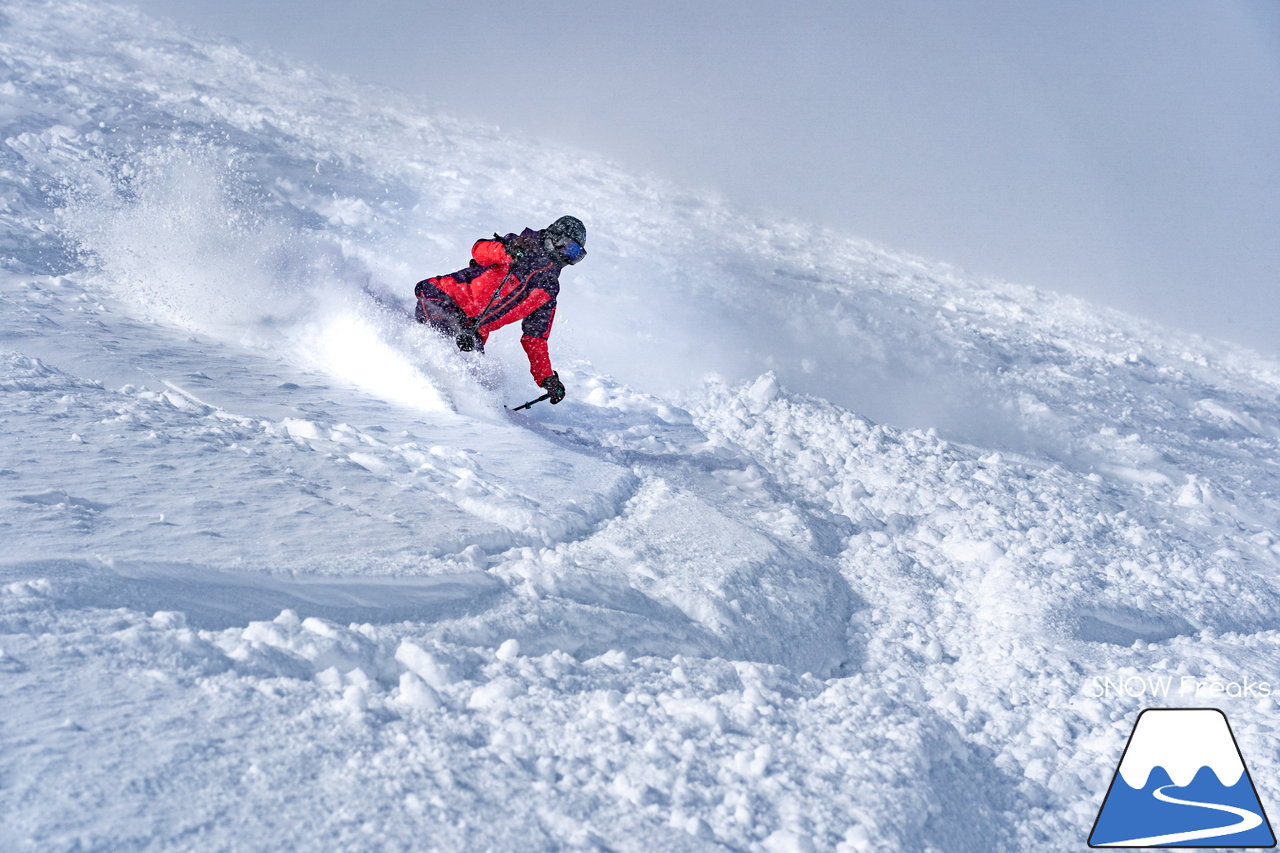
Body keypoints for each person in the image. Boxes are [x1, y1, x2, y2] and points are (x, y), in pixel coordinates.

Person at [414, 216, 587, 405]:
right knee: (442, 342)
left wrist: (547, 379)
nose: (568, 258)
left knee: (475, 379)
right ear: (555, 237)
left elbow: (535, 338)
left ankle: (478, 412)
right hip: (442, 299)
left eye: (576, 255)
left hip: (472, 332)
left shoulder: (548, 290)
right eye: (569, 248)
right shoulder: (520, 246)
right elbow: (479, 251)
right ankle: (420, 391)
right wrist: (507, 250)